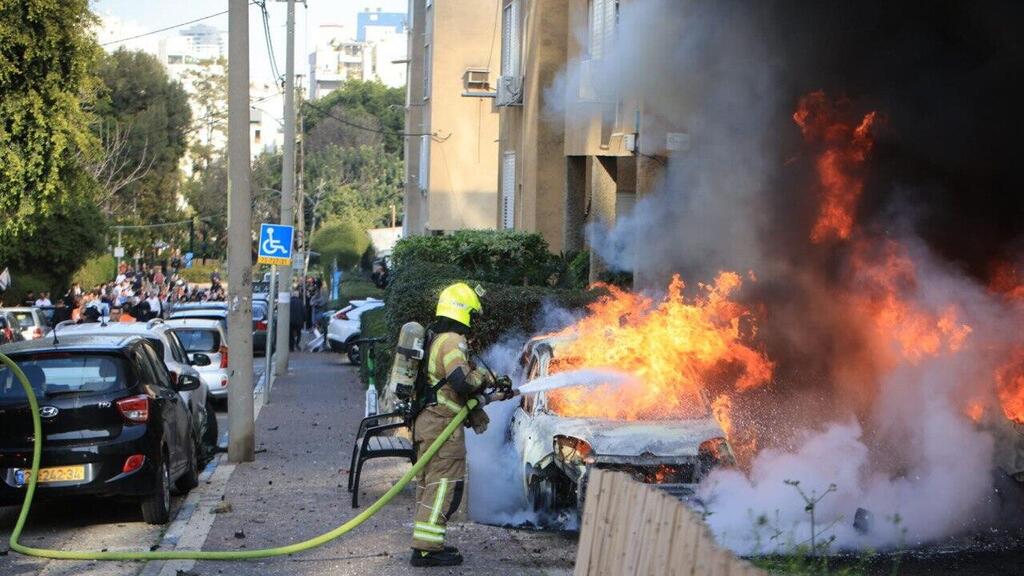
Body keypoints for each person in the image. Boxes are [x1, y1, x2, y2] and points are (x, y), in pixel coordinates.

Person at [408, 283, 510, 567]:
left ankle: (427, 544)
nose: (474, 323)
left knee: (429, 485)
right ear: (463, 312)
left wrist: (490, 392)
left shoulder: (436, 338)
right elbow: (461, 381)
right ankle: (427, 550)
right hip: (441, 427)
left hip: (429, 423)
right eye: (473, 315)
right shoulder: (452, 340)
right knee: (444, 486)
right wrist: (485, 379)